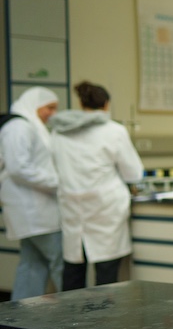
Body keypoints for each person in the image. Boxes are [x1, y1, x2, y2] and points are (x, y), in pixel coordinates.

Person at [49, 82, 144, 289]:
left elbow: (53, 166)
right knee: (106, 276)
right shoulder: (114, 131)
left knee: (73, 271)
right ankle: (102, 321)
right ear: (106, 105)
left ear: (81, 104)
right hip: (105, 208)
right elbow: (133, 172)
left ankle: (68, 320)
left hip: (72, 206)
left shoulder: (59, 132)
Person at [0, 87, 63, 300]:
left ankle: (22, 316)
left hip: (34, 207)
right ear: (35, 105)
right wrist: (57, 182)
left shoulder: (30, 126)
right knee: (59, 261)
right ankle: (74, 313)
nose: (52, 113)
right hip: (34, 208)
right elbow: (19, 168)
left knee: (32, 264)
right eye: (49, 107)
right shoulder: (19, 126)